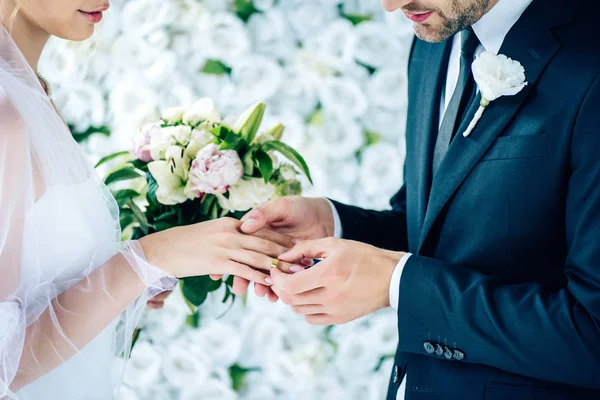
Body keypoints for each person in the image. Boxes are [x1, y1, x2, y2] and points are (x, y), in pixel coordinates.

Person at [238, 0, 600, 399]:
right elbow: (435, 227)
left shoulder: (591, 64)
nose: (391, 5)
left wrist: (399, 285)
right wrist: (337, 224)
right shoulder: (434, 33)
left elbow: (593, 332)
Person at [0, 1, 295, 398]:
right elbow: (5, 361)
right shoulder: (5, 116)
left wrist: (126, 286)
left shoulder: (32, 92)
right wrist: (151, 257)